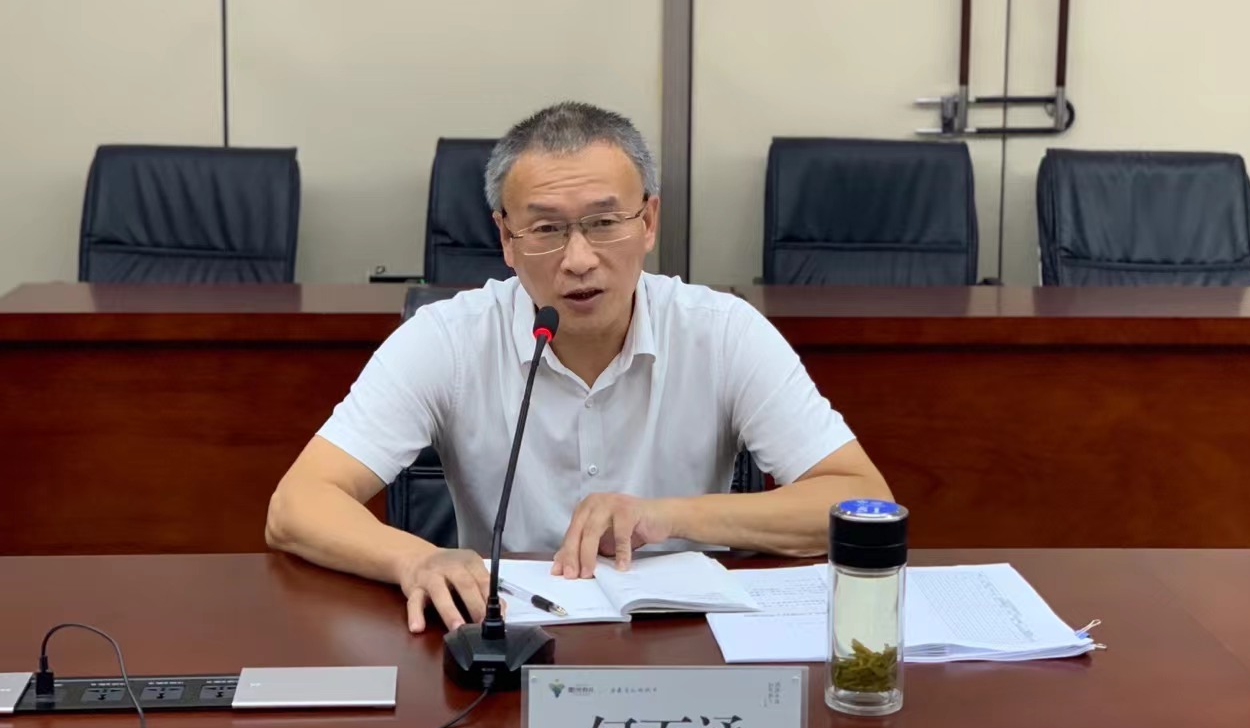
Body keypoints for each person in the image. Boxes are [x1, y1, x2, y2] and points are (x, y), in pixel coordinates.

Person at [266, 101, 892, 633]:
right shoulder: (449, 339)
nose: (580, 259)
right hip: (510, 639)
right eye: (546, 229)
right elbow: (297, 504)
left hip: (686, 641)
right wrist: (415, 559)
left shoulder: (723, 332)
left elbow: (861, 499)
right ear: (506, 240)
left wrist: (669, 516)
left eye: (604, 223)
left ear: (648, 222)